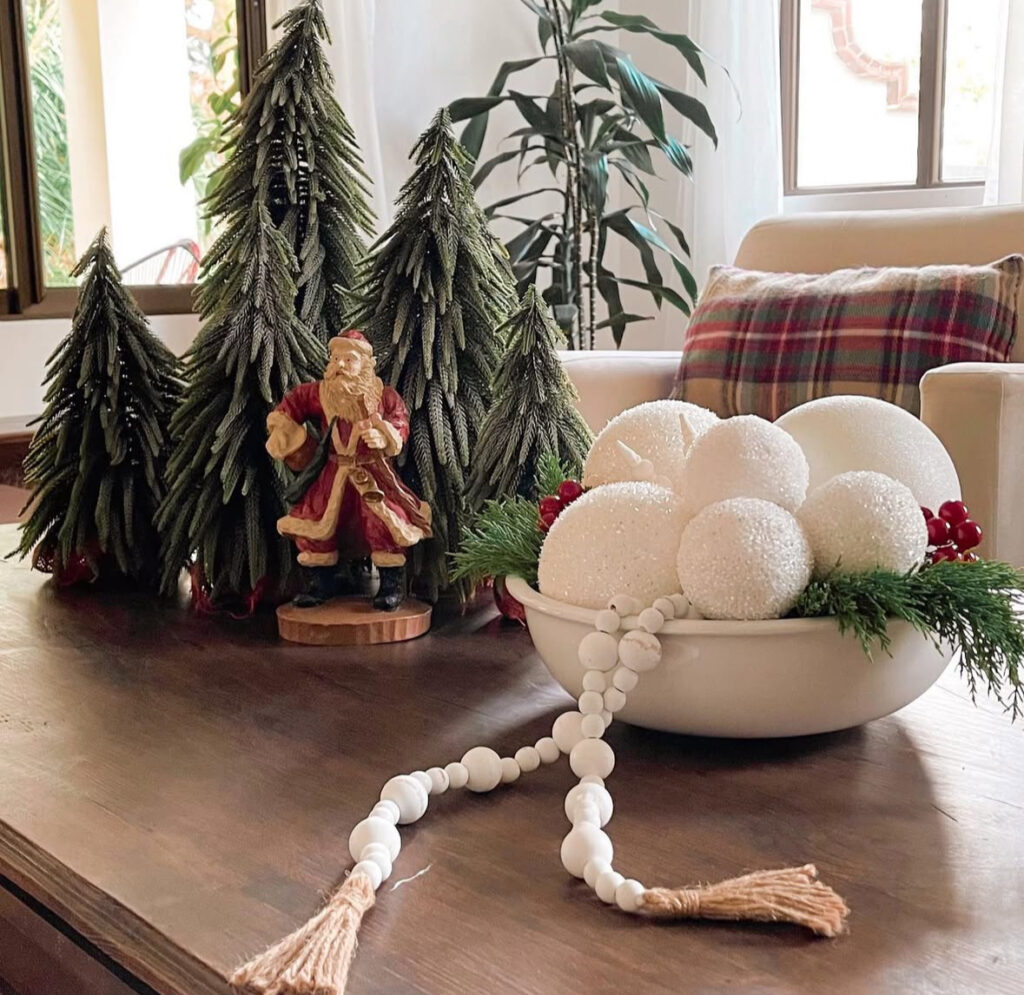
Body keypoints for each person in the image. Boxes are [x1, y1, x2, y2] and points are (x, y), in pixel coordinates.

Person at [266, 330, 431, 610]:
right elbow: (293, 404)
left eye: (349, 359)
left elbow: (400, 421)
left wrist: (386, 436)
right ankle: (320, 583)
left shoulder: (384, 396)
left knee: (383, 522)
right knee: (316, 521)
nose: (340, 365)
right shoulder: (321, 393)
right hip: (332, 476)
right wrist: (283, 428)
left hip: (373, 476)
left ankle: (390, 585)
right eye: (336, 358)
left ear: (366, 365)